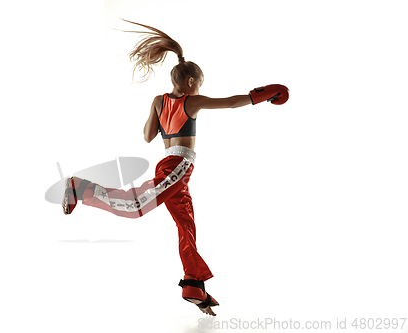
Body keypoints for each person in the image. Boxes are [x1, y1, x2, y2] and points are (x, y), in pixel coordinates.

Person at [62, 19, 289, 316]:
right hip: (178, 166)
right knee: (135, 206)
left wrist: (155, 109)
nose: (201, 89)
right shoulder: (191, 102)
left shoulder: (159, 100)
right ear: (192, 82)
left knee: (187, 226)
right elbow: (232, 103)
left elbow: (147, 136)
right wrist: (261, 94)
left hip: (170, 164)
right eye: (201, 85)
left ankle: (193, 284)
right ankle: (80, 186)